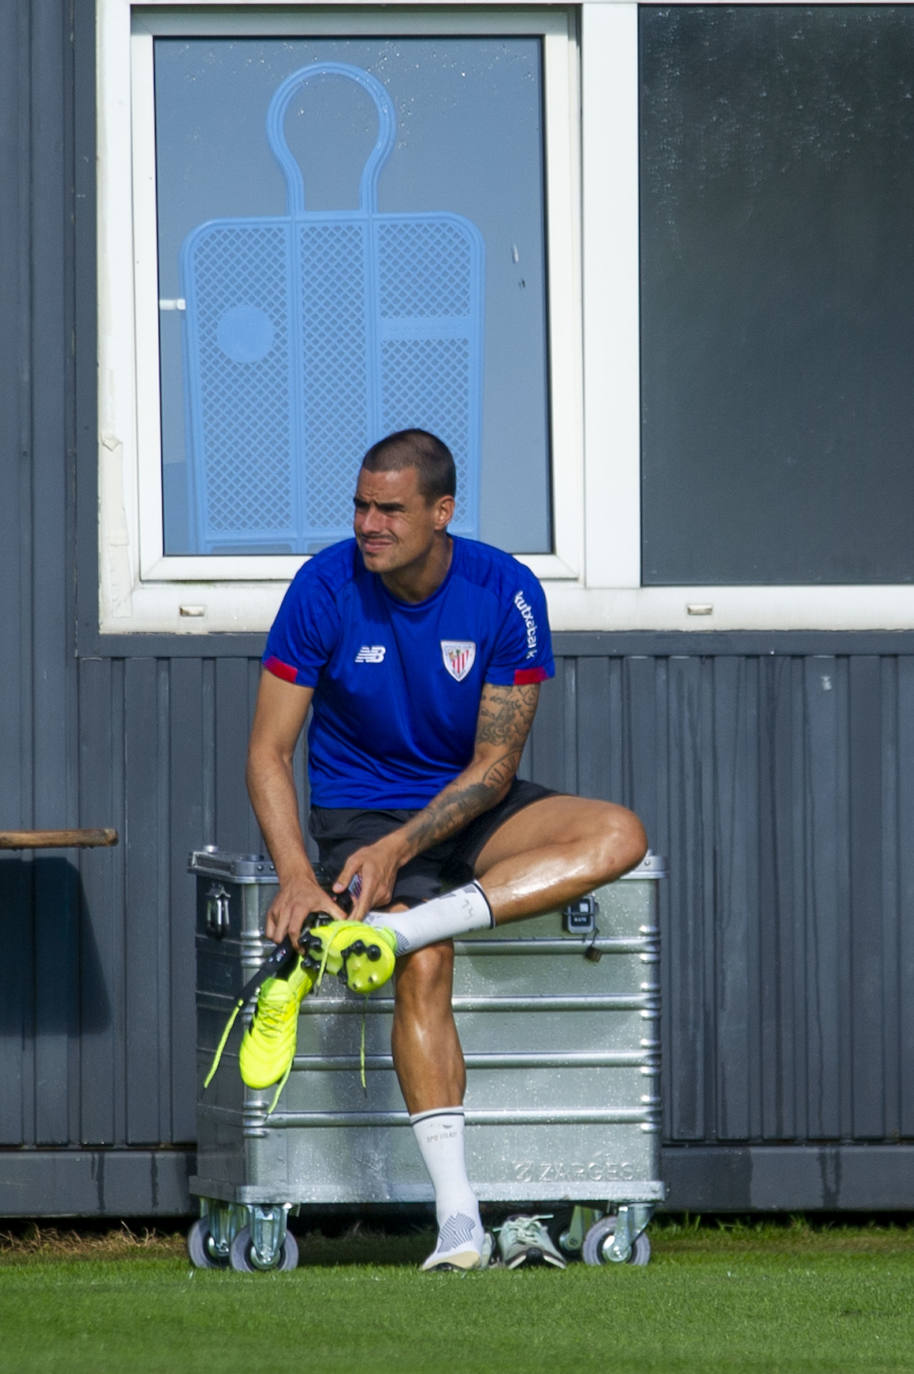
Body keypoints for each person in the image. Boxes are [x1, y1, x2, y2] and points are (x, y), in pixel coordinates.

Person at [242, 428, 648, 1272]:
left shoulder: (507, 592)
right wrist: (292, 873)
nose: (368, 524)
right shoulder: (322, 587)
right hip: (357, 814)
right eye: (359, 505)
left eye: (390, 508)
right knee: (427, 966)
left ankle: (395, 930)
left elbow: (497, 767)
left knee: (620, 834)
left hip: (468, 804)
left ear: (441, 512)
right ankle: (459, 1222)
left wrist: (404, 857)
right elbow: (267, 753)